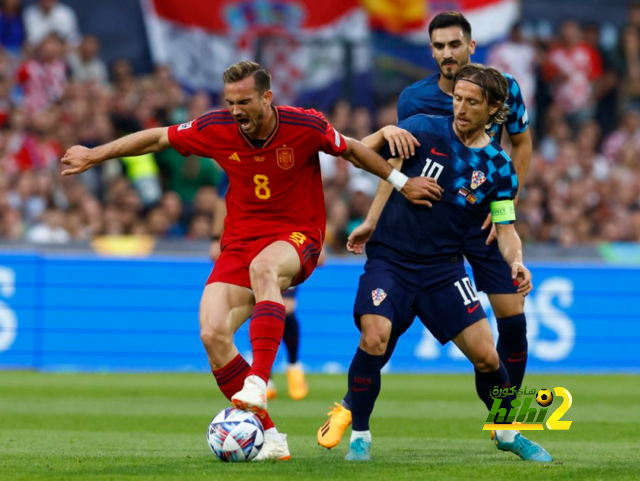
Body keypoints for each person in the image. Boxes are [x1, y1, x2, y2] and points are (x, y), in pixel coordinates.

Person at [60, 60, 442, 461]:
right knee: (212, 334)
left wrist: (401, 183)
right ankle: (272, 436)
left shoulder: (305, 125)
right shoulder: (216, 127)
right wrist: (95, 154)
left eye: (243, 101)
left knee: (265, 270)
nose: (236, 110)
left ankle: (259, 377)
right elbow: (157, 139)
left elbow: (353, 151)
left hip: (297, 234)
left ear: (267, 97)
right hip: (239, 242)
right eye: (230, 102)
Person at [318, 11, 534, 450]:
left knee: (507, 329)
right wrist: (375, 216)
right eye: (438, 46)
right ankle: (353, 413)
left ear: (471, 47)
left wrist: (510, 227)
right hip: (411, 236)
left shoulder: (505, 102)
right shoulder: (417, 110)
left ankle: (507, 425)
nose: (446, 53)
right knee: (381, 331)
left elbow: (520, 152)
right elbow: (386, 160)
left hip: (474, 226)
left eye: (454, 44)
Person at [211, 172, 309, 402]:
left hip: (286, 241)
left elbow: (311, 195)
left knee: (286, 307)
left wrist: (318, 238)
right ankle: (264, 374)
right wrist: (216, 238)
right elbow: (220, 200)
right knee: (254, 307)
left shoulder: (289, 155)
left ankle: (294, 365)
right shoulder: (237, 160)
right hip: (246, 242)